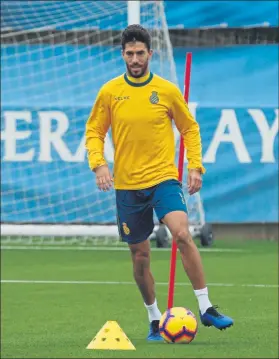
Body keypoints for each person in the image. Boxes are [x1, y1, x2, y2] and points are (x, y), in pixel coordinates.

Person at [85, 24, 233, 341]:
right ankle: (154, 319)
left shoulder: (166, 90)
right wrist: (98, 165)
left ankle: (206, 307)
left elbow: (190, 129)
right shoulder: (110, 92)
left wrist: (196, 166)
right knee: (140, 256)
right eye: (130, 53)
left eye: (140, 53)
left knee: (182, 233)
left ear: (150, 54)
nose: (135, 59)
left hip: (164, 179)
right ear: (122, 55)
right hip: (127, 186)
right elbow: (94, 132)